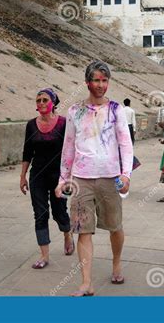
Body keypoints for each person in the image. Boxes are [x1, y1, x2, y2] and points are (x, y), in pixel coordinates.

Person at [55, 61, 133, 296]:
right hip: (81, 179)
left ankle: (116, 263)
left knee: (115, 226)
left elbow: (125, 144)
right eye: (96, 80)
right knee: (83, 230)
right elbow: (68, 147)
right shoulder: (74, 112)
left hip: (110, 178)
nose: (101, 85)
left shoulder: (116, 110)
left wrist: (126, 174)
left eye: (104, 80)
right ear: (87, 82)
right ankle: (86, 282)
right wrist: (62, 179)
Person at [20, 88, 74, 269]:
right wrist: (23, 176)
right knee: (40, 213)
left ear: (53, 102)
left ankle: (67, 233)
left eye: (44, 100)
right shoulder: (31, 125)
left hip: (59, 176)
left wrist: (70, 176)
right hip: (38, 176)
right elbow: (27, 152)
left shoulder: (64, 123)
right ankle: (44, 255)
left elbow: (71, 150)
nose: (41, 103)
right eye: (38, 101)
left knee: (60, 212)